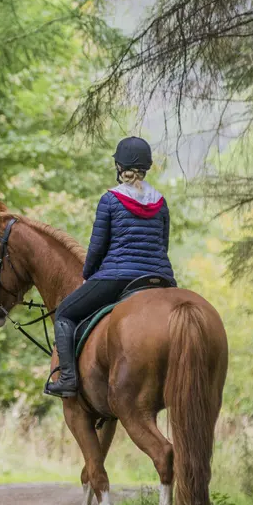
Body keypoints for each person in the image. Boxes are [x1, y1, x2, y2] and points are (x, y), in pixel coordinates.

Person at [44, 136, 175, 398]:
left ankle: (68, 379)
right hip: (160, 279)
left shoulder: (111, 200)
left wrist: (88, 274)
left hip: (118, 277)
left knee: (65, 314)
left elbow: (96, 248)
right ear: (145, 168)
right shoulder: (160, 202)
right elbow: (164, 244)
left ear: (119, 167)